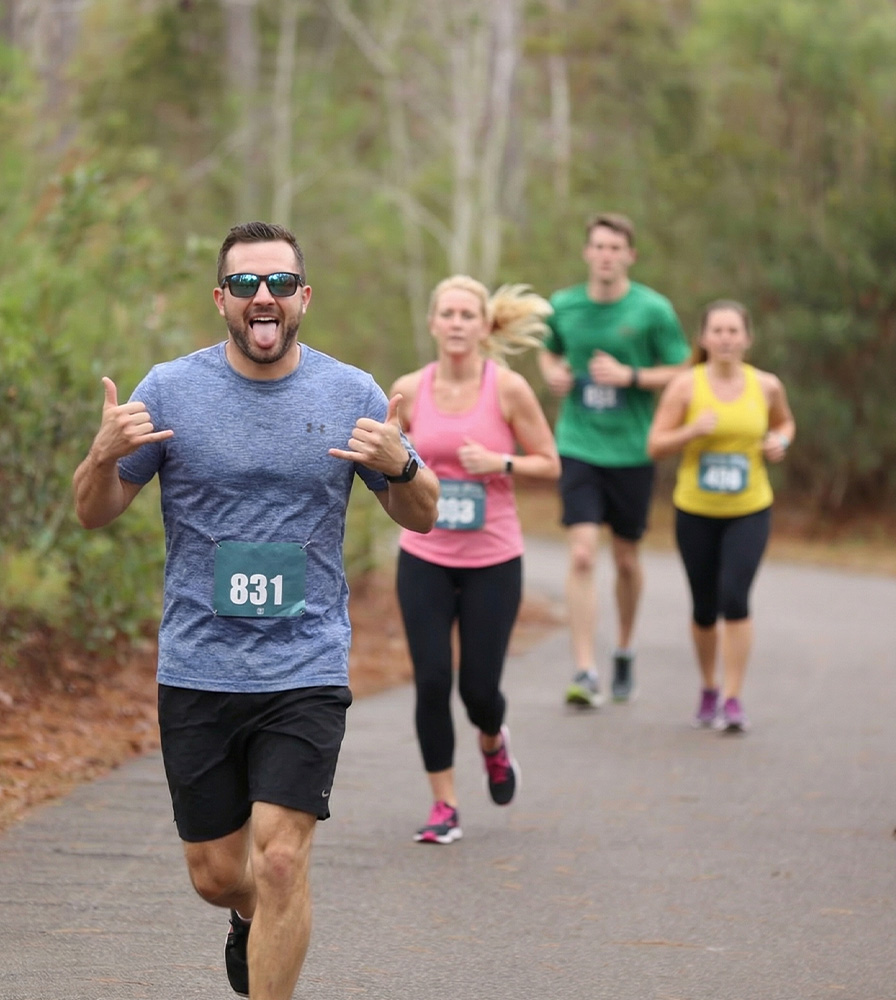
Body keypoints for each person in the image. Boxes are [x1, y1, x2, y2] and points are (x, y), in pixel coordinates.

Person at [71, 221, 439, 1000]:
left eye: (277, 283)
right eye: (244, 284)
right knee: (217, 875)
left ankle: (274, 918)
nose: (261, 296)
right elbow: (93, 511)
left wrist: (401, 464)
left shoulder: (351, 393)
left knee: (280, 859)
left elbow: (423, 514)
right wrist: (100, 457)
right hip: (199, 665)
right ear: (221, 300)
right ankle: (253, 917)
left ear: (304, 296)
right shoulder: (170, 389)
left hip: (304, 663)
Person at [390, 275, 561, 844]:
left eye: (469, 314)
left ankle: (492, 740)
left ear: (485, 326)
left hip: (493, 557)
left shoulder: (508, 389)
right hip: (425, 554)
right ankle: (444, 805)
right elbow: (390, 461)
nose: (458, 323)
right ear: (434, 323)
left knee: (479, 690)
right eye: (449, 313)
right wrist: (392, 453)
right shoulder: (410, 390)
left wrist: (499, 463)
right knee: (433, 679)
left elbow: (550, 463)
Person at [537, 212, 690, 708]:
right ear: (587, 253)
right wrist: (555, 373)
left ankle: (624, 646)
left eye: (615, 248)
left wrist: (631, 376)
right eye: (598, 246)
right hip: (579, 443)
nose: (606, 255)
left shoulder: (653, 310)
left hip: (632, 448)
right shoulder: (563, 305)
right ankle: (585, 669)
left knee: (626, 558)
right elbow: (549, 350)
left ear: (630, 255)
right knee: (582, 552)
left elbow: (683, 371)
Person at [647, 299, 795, 732]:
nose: (727, 339)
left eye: (735, 331)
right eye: (718, 331)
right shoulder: (685, 387)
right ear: (704, 338)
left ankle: (733, 697)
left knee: (735, 597)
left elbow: (785, 423)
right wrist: (691, 431)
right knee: (704, 606)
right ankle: (708, 686)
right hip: (695, 509)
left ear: (748, 339)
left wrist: (780, 442)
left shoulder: (766, 386)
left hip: (749, 508)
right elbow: (655, 445)